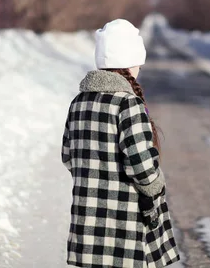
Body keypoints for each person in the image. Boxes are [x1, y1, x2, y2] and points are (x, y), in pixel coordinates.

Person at [61, 19, 180, 268]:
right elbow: (142, 167)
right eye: (138, 62)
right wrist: (155, 188)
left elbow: (68, 156)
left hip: (87, 220)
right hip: (123, 222)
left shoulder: (78, 102)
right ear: (129, 62)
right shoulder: (127, 103)